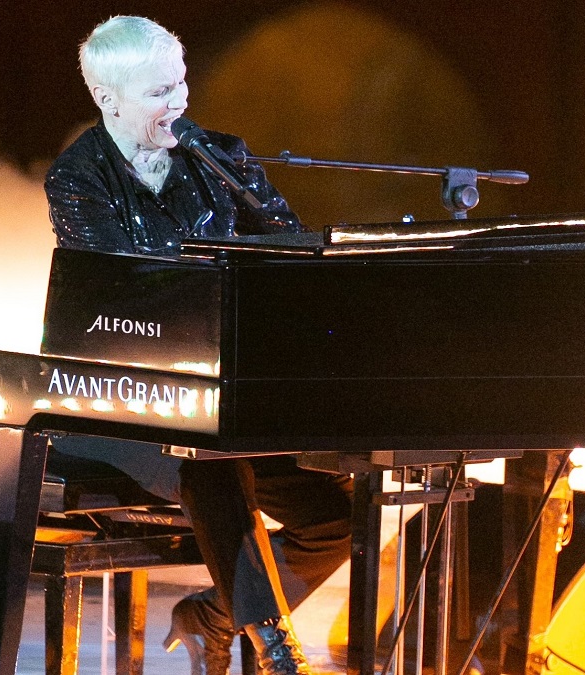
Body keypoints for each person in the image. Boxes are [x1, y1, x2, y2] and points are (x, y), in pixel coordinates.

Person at [43, 15, 354, 675]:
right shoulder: (79, 177)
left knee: (333, 519)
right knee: (210, 456)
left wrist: (259, 211)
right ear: (109, 99)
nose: (178, 102)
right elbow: (119, 285)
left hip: (220, 395)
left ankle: (212, 615)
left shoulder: (221, 156)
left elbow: (293, 250)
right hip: (122, 401)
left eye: (180, 84)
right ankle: (272, 649)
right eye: (159, 92)